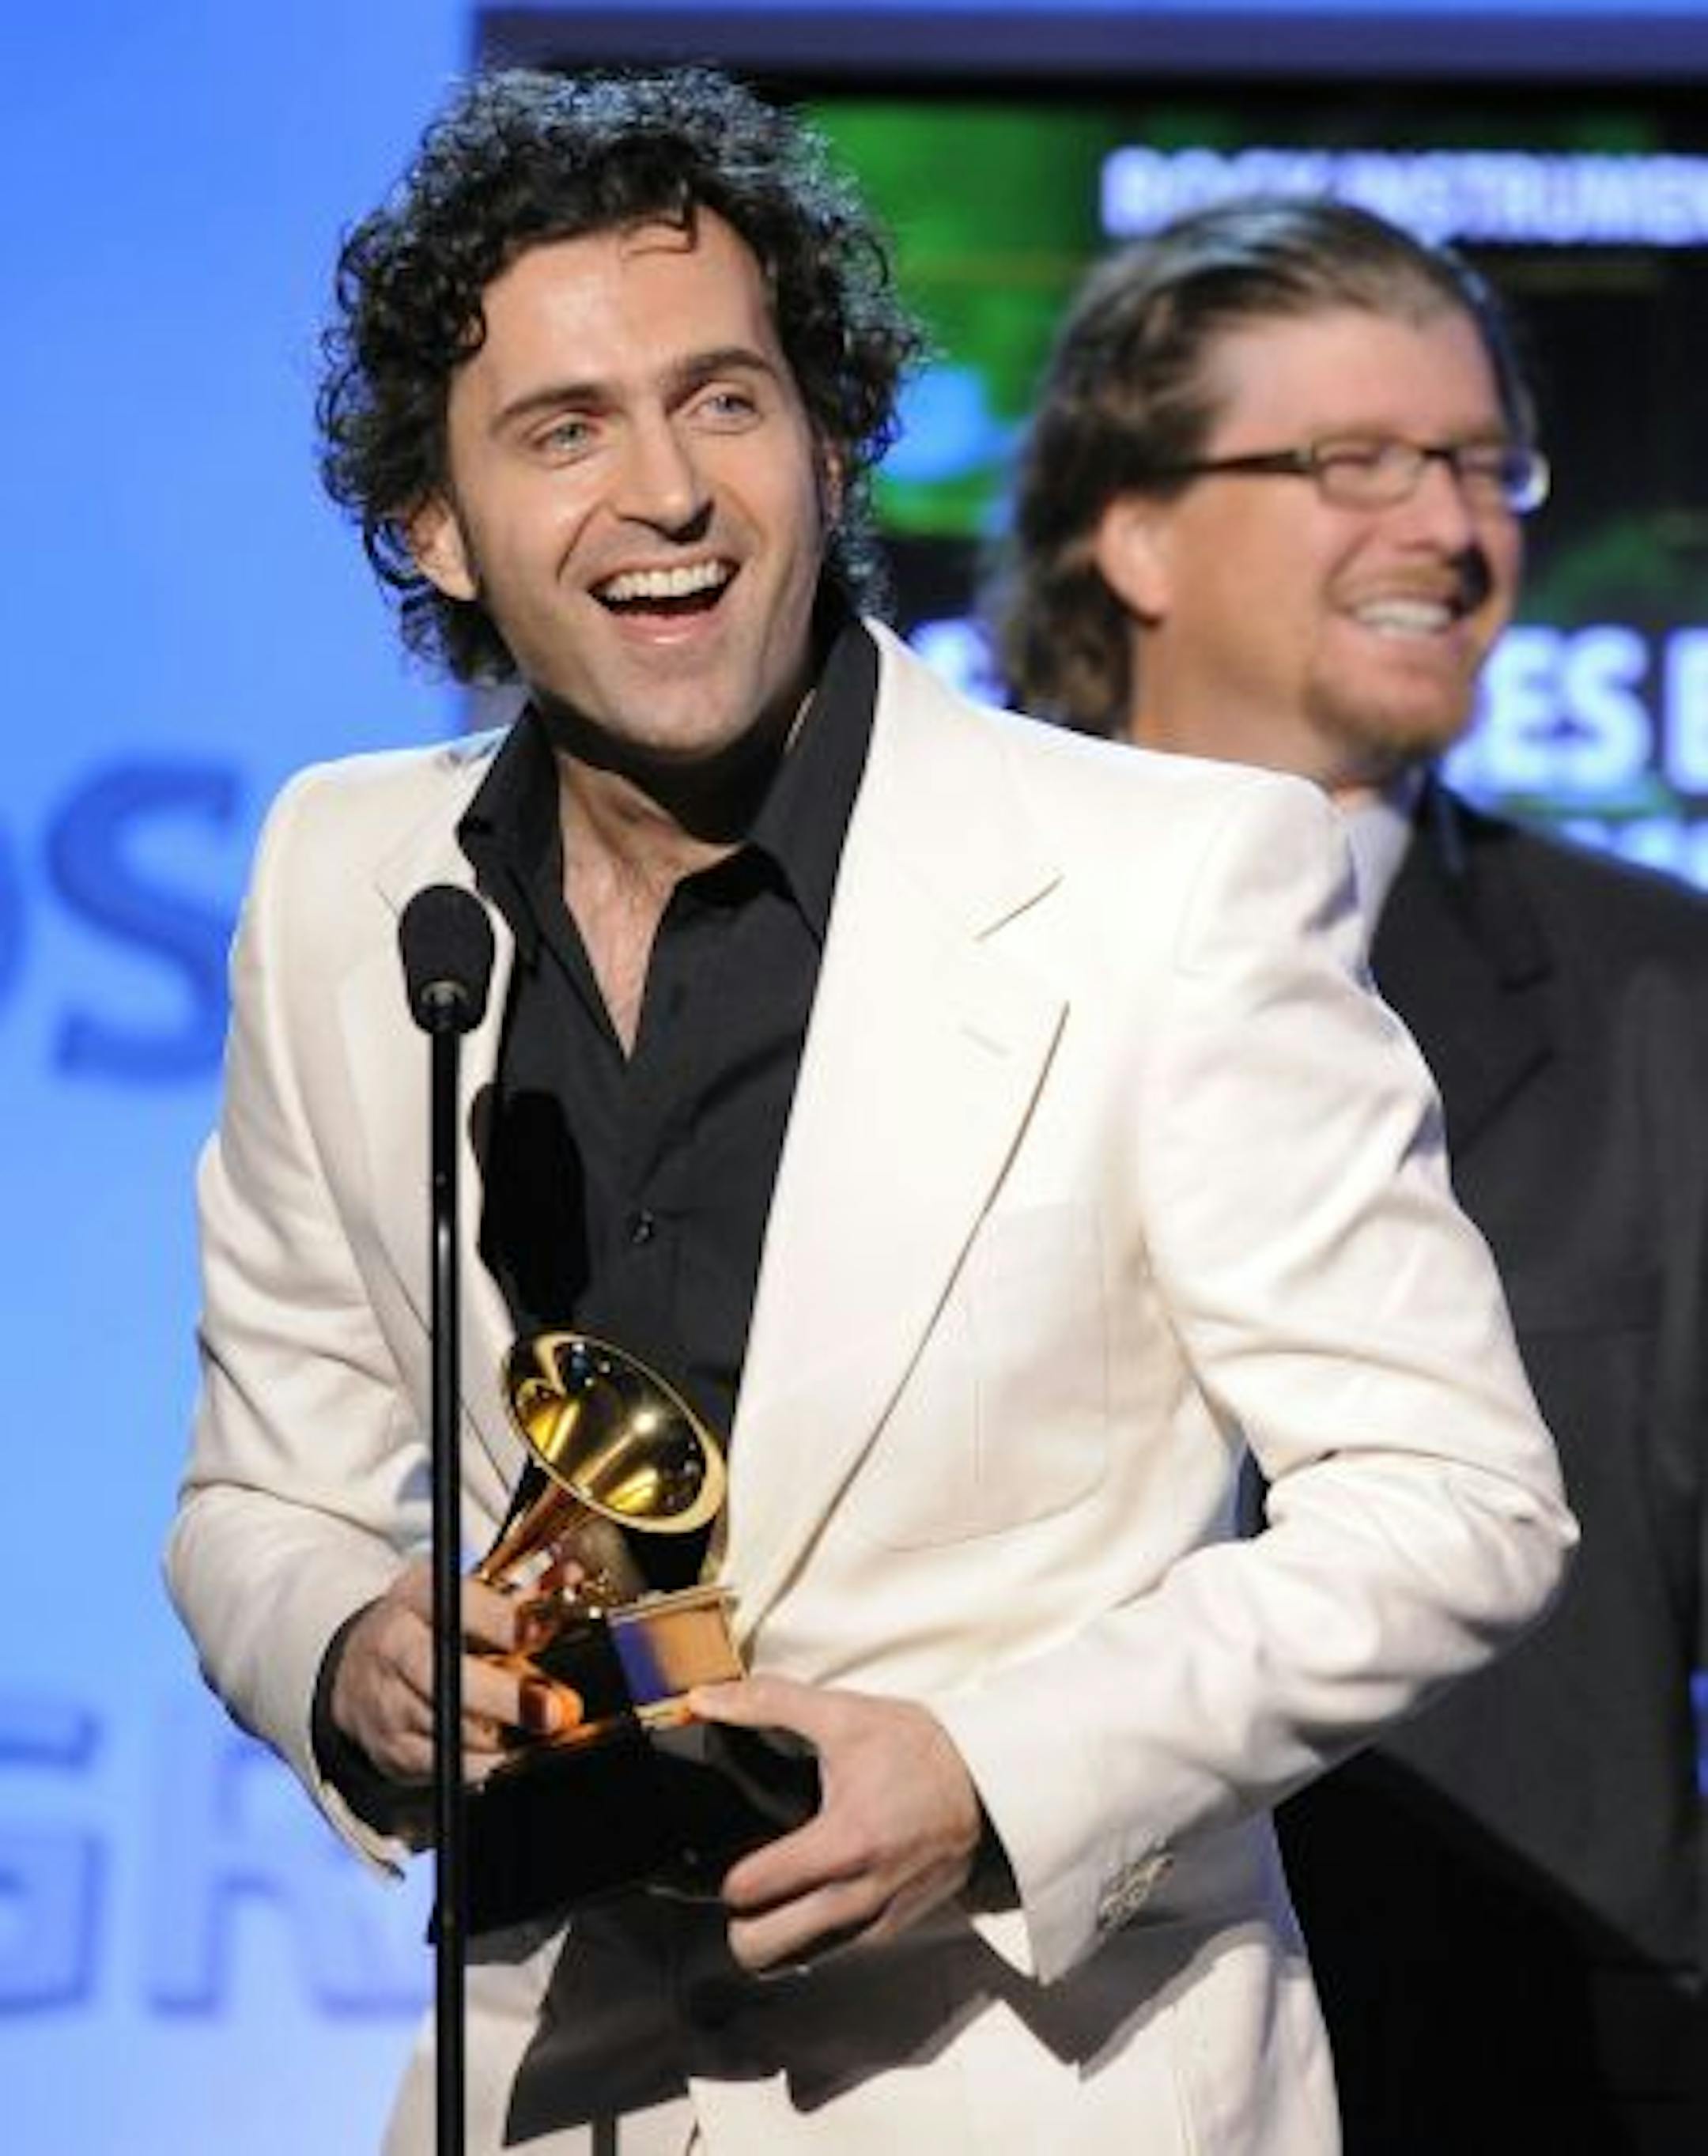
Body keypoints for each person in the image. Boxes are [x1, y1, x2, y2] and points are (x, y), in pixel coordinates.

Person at [166, 77, 1574, 2156]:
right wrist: (350, 1656)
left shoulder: (1170, 881)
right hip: (545, 2081)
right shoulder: (340, 876)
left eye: (724, 403)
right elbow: (251, 1504)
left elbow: (1454, 1496)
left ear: (829, 444)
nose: (668, 492)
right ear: (436, 527)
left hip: (1045, 2081)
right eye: (565, 431)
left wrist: (994, 1774)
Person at [988, 192, 1708, 2155]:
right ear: (1129, 530)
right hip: (985, 2061)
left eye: (1484, 464)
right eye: (1355, 462)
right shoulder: (900, 955)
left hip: (1512, 2079)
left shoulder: (1667, 1000)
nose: (1452, 529)